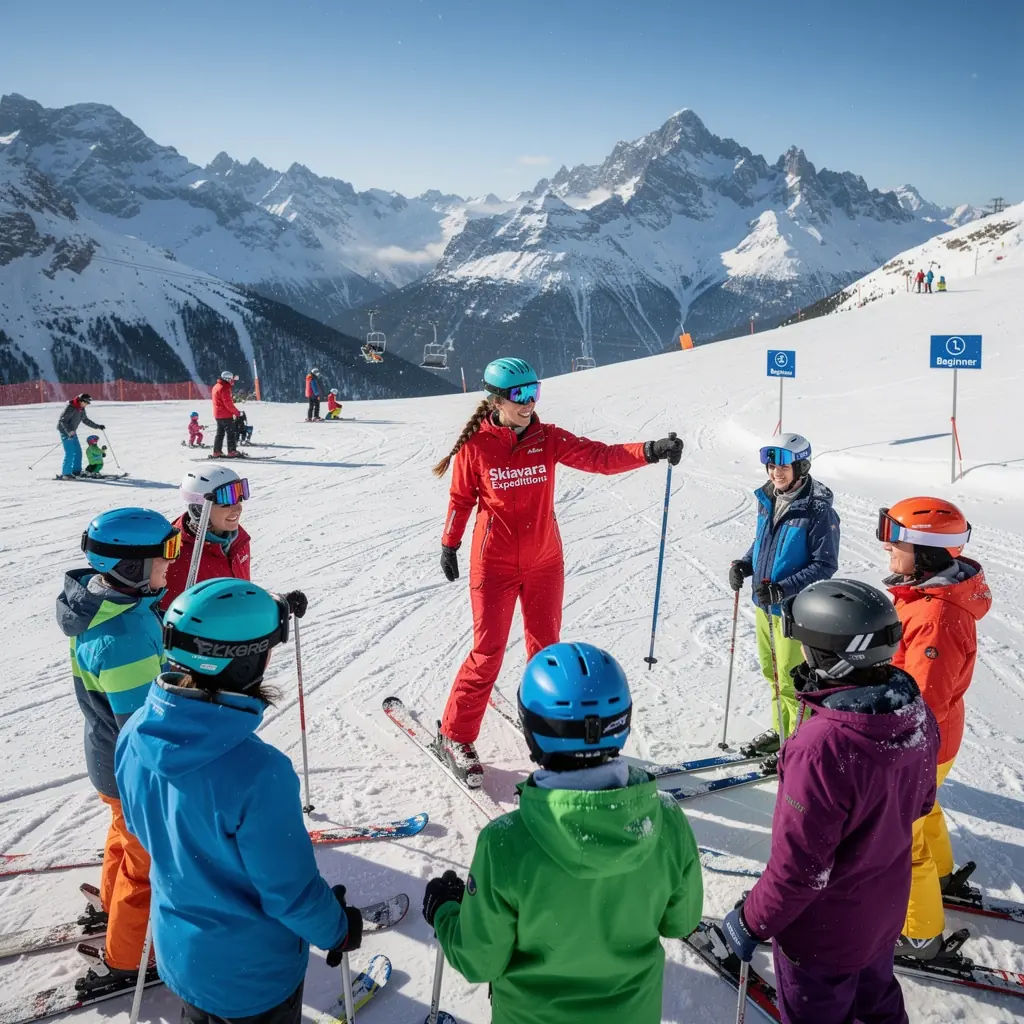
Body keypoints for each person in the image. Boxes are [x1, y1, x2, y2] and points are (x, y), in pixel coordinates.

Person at [115, 579, 360, 1023]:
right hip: (254, 979)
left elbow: (138, 825)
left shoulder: (134, 733)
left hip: (182, 956)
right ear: (246, 666)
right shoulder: (259, 775)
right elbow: (291, 894)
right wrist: (338, 930)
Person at [432, 357, 683, 785]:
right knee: (488, 653)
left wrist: (649, 451)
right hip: (492, 566)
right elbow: (461, 500)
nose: (529, 403)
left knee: (546, 651)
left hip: (545, 563)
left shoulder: (546, 439)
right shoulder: (476, 447)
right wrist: (450, 543)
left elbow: (599, 457)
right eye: (520, 396)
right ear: (496, 400)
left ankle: (554, 730)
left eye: (534, 393)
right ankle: (455, 734)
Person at [422, 642, 703, 1024]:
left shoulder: (505, 844)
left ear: (531, 732)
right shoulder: (667, 821)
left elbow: (480, 960)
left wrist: (446, 911)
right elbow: (681, 922)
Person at [722, 579, 939, 1024]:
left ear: (826, 656)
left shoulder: (822, 748)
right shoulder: (912, 711)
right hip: (882, 914)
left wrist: (751, 920)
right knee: (877, 1002)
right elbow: (921, 802)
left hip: (822, 935)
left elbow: (800, 872)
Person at [56, 508, 182, 994]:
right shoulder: (124, 639)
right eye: (162, 555)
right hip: (130, 769)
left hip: (105, 761)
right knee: (144, 865)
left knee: (123, 837)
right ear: (129, 568)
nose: (171, 564)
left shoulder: (99, 605)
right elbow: (142, 733)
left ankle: (109, 904)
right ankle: (127, 957)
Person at [877, 498, 991, 958]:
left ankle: (920, 931)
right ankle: (942, 878)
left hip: (921, 738)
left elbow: (921, 699)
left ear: (924, 552)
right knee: (926, 812)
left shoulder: (936, 615)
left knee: (904, 837)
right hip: (939, 737)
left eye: (895, 542)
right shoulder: (927, 597)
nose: (887, 550)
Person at [728, 433, 840, 763]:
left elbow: (825, 564)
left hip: (794, 610)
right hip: (766, 605)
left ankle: (798, 747)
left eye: (784, 466)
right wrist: (745, 564)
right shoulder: (770, 498)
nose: (776, 472)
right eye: (772, 465)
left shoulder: (818, 511)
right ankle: (783, 730)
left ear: (801, 467)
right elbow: (763, 540)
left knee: (793, 681)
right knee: (772, 673)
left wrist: (783, 589)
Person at [159, 467, 252, 612]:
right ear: (198, 510)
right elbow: (168, 618)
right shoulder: (175, 556)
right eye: (226, 502)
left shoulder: (238, 540)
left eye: (240, 498)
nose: (238, 508)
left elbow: (242, 597)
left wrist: (277, 604)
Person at [57, 392, 104, 478]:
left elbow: (85, 420)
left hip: (72, 432)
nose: (86, 405)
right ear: (81, 401)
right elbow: (62, 421)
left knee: (78, 452)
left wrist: (97, 426)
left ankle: (76, 471)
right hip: (65, 432)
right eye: (86, 403)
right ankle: (66, 473)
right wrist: (68, 432)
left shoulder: (81, 409)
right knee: (70, 452)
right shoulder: (71, 407)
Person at [212, 371, 246, 458]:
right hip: (225, 415)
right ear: (227, 379)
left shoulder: (216, 386)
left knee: (220, 433)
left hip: (218, 414)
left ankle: (217, 451)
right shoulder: (224, 388)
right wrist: (237, 413)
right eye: (231, 379)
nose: (232, 381)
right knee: (231, 433)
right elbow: (228, 404)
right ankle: (232, 451)